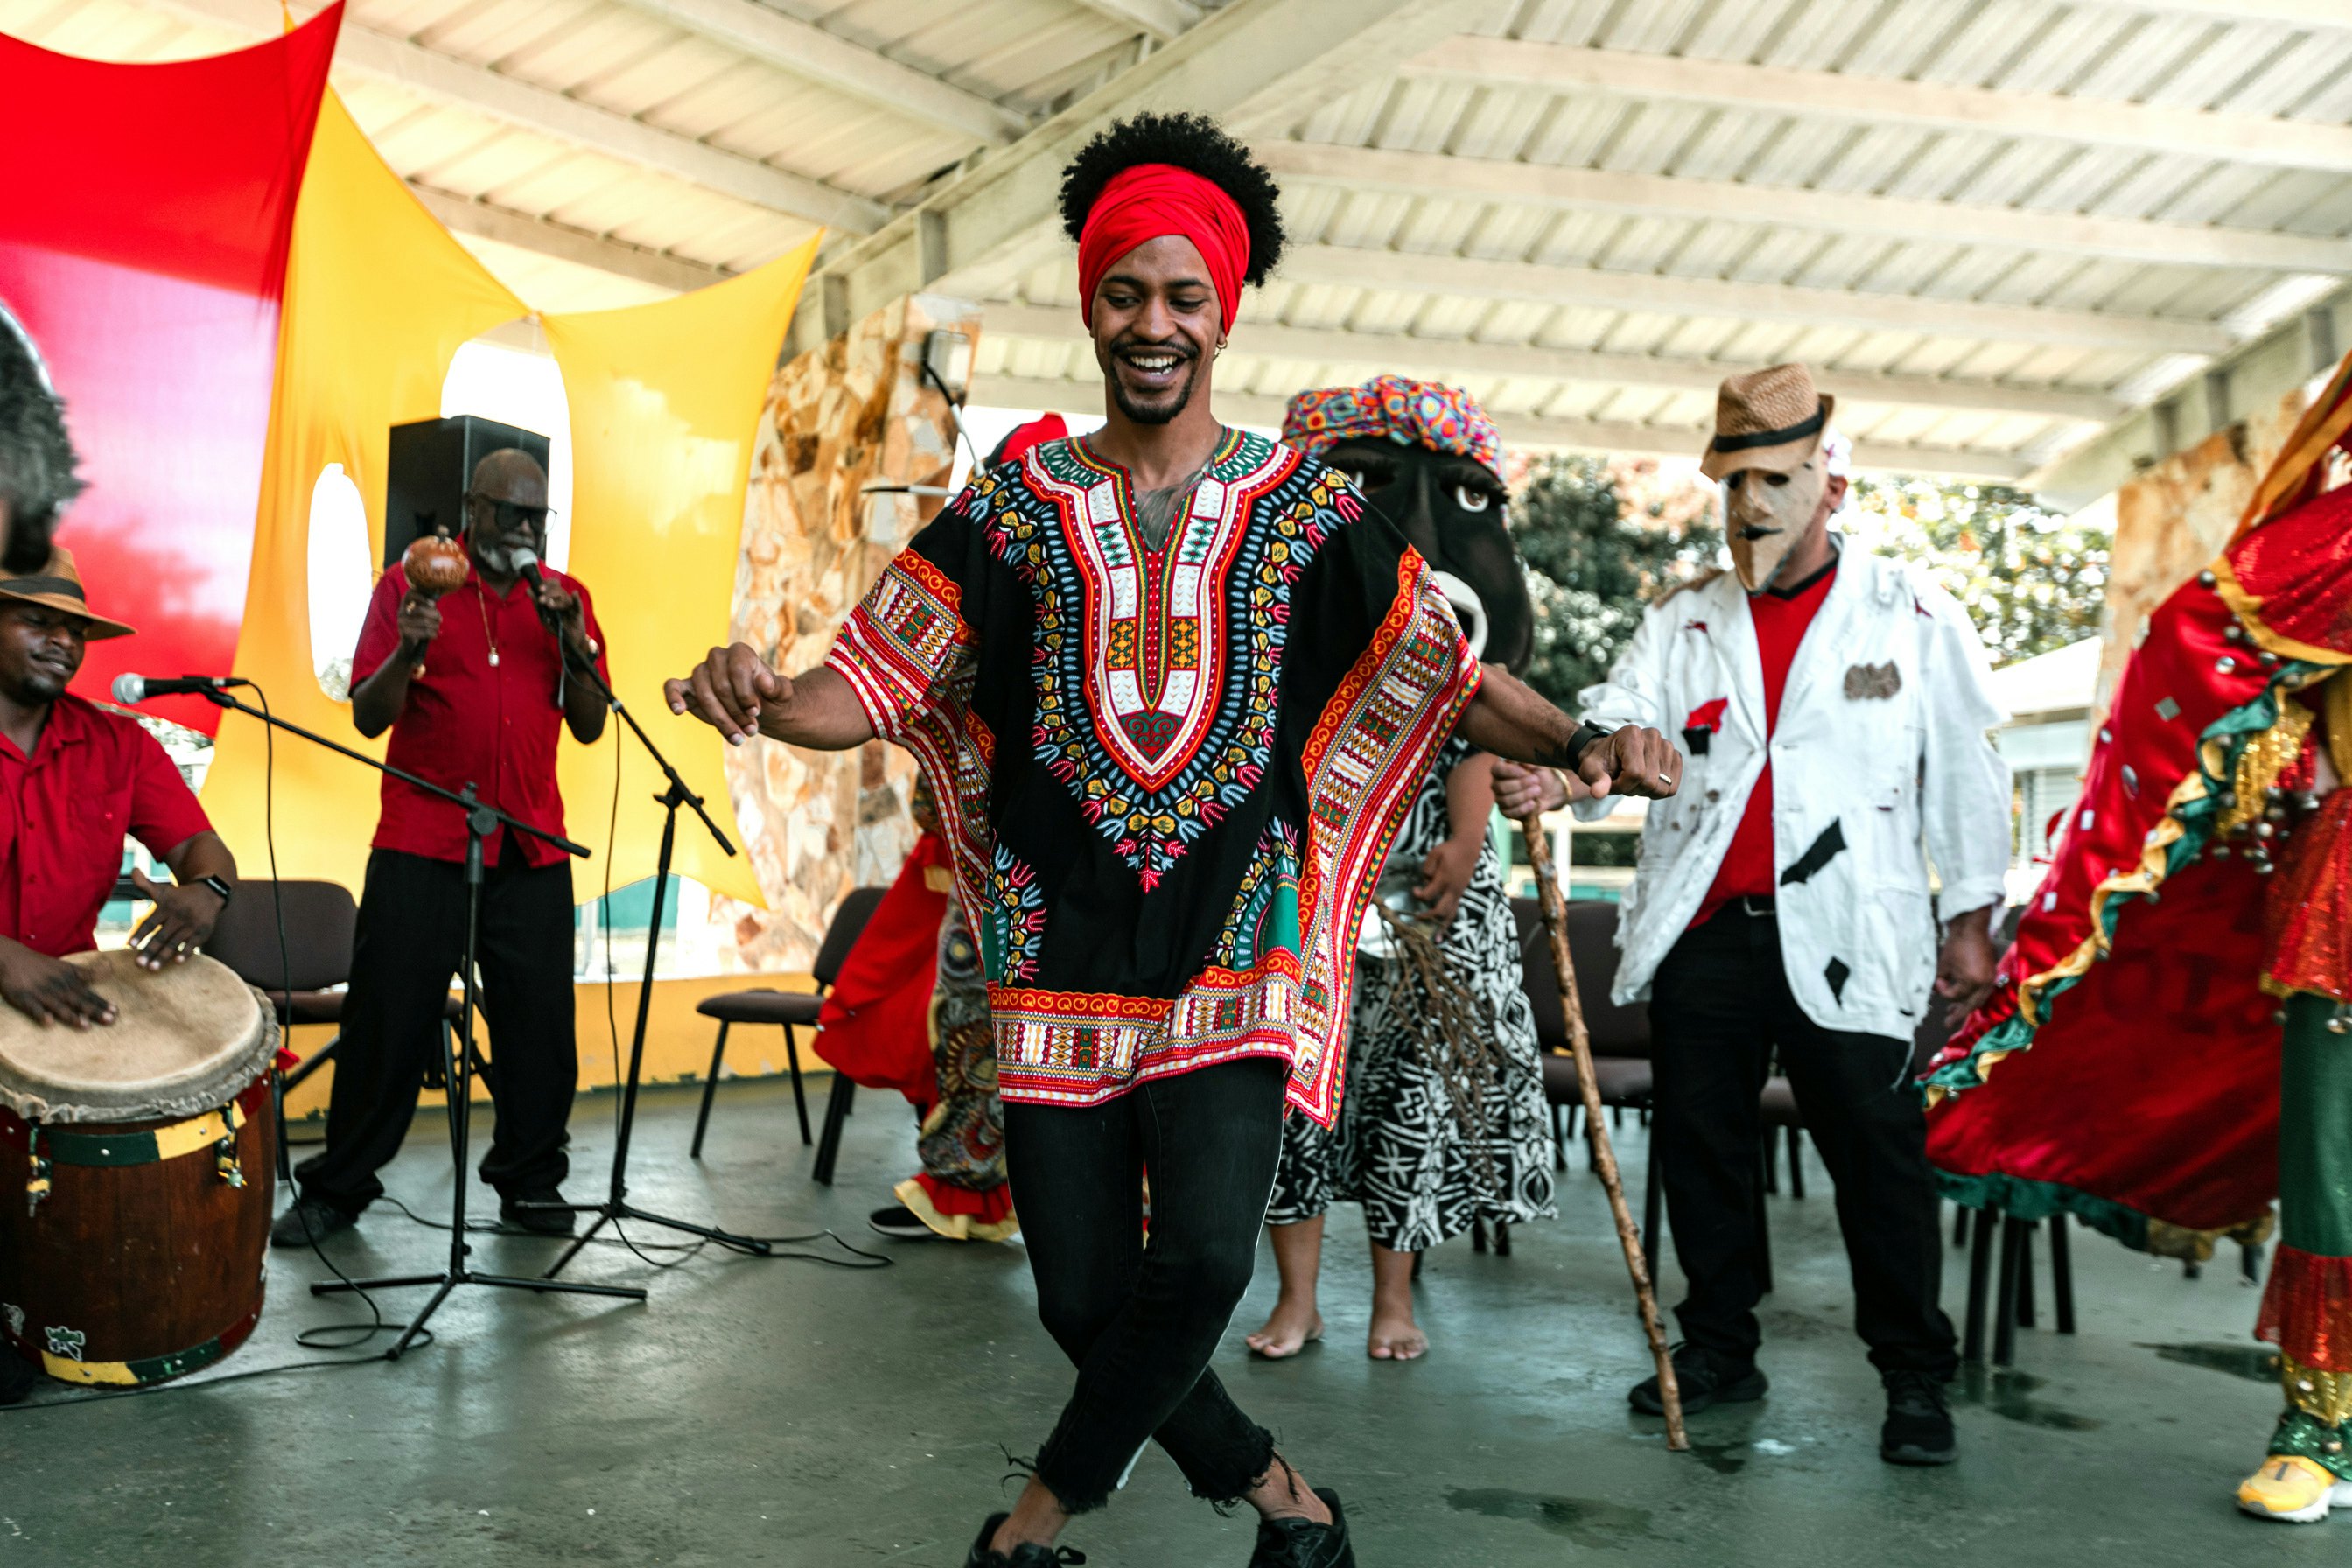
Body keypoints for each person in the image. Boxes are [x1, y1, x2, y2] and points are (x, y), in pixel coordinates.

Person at [668, 112, 1678, 1568]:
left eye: (1183, 296)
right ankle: (1289, 1508)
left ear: (1224, 313)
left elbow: (1448, 672)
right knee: (1082, 1298)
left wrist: (1584, 743)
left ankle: (1026, 1531)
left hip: (1236, 947)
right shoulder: (1010, 512)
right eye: (1126, 294)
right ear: (1090, 307)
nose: (1155, 325)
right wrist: (769, 695)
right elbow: (872, 679)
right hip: (1055, 952)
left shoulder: (1305, 509)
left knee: (1201, 1258)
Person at [1499, 362, 2009, 1467]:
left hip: (1853, 928)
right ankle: (1721, 1347)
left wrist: (1971, 914)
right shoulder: (1683, 619)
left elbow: (1966, 770)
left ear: (1833, 485)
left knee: (1877, 1155)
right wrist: (1576, 769)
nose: (1751, 504)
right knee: (1702, 1147)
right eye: (1734, 483)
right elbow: (1621, 718)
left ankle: (1913, 1374)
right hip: (1709, 929)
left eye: (1776, 479)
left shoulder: (1912, 611)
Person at [1910, 360, 2352, 1522]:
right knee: (2337, 1169)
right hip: (2346, 909)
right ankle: (2323, 1421)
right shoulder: (2336, 540)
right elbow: (2195, 633)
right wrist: (2281, 751)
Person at [1248, 379, 1554, 1362]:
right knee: (1288, 1100)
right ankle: (1297, 1301)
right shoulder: (1278, 624)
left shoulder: (1442, 621)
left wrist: (1464, 844)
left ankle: (1394, 1302)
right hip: (1302, 900)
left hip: (1428, 892)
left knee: (1411, 1100)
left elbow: (1472, 726)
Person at [274, 449, 608, 1245]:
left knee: (539, 1031)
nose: (524, 531)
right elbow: (369, 716)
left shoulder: (564, 599)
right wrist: (408, 650)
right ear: (472, 506)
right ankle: (338, 1189)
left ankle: (531, 1183)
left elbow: (592, 723)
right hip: (422, 842)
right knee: (387, 1024)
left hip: (530, 845)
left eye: (537, 517)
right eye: (510, 513)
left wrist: (575, 642)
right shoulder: (411, 585)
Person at [0, 545, 240, 1404]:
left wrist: (206, 892)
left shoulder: (118, 744)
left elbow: (201, 847)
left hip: (56, 1005)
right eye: (37, 620)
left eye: (74, 629)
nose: (62, 642)